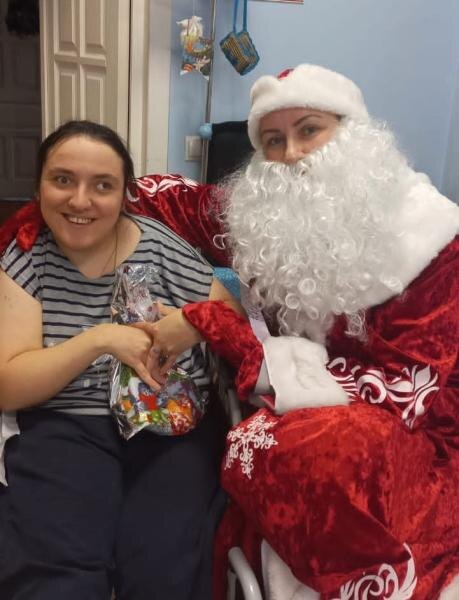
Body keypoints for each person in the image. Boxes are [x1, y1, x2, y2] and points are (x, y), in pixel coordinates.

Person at [2, 65, 458, 599]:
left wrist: (199, 322)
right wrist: (60, 214)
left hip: (395, 425)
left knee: (171, 549)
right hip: (81, 423)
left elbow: (413, 392)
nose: (290, 153)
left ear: (353, 134)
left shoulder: (432, 241)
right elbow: (148, 199)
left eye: (309, 130)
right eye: (273, 140)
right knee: (58, 556)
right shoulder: (269, 215)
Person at [0, 119, 242, 600]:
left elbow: (233, 321)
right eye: (63, 179)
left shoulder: (161, 245)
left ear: (125, 194)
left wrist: (192, 322)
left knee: (163, 563)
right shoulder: (26, 256)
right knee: (57, 567)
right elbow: (9, 386)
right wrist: (100, 340)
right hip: (68, 421)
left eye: (102, 185)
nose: (80, 201)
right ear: (39, 186)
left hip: (172, 422)